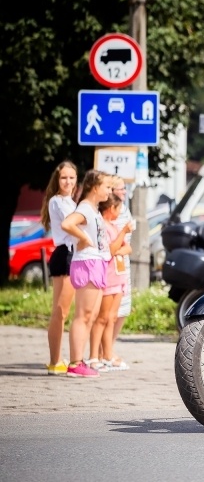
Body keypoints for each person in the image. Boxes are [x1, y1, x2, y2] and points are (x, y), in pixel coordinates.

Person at [61, 170, 112, 377]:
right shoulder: (85, 208)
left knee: (90, 316)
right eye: (107, 186)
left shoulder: (93, 209)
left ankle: (80, 361)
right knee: (83, 316)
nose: (109, 191)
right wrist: (83, 238)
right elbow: (67, 224)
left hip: (96, 261)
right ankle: (75, 363)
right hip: (87, 262)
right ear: (95, 187)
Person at [87, 193, 133, 372]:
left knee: (112, 318)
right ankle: (94, 356)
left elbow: (127, 248)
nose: (120, 212)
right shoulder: (104, 226)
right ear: (110, 208)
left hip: (118, 276)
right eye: (118, 208)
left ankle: (107, 354)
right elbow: (110, 250)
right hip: (108, 276)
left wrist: (119, 246)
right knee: (102, 318)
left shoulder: (114, 226)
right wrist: (123, 234)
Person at [41, 160, 79, 375]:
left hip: (70, 254)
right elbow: (73, 225)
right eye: (64, 177)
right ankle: (55, 361)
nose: (68, 181)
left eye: (71, 177)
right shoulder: (57, 201)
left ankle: (56, 359)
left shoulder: (70, 202)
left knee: (62, 311)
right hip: (65, 254)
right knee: (60, 311)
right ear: (57, 179)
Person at [109, 177, 133, 345]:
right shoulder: (109, 211)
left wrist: (124, 249)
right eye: (120, 188)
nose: (124, 191)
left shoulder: (125, 209)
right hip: (111, 264)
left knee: (124, 308)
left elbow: (128, 243)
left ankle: (110, 346)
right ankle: (104, 350)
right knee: (111, 310)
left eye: (124, 188)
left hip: (123, 262)